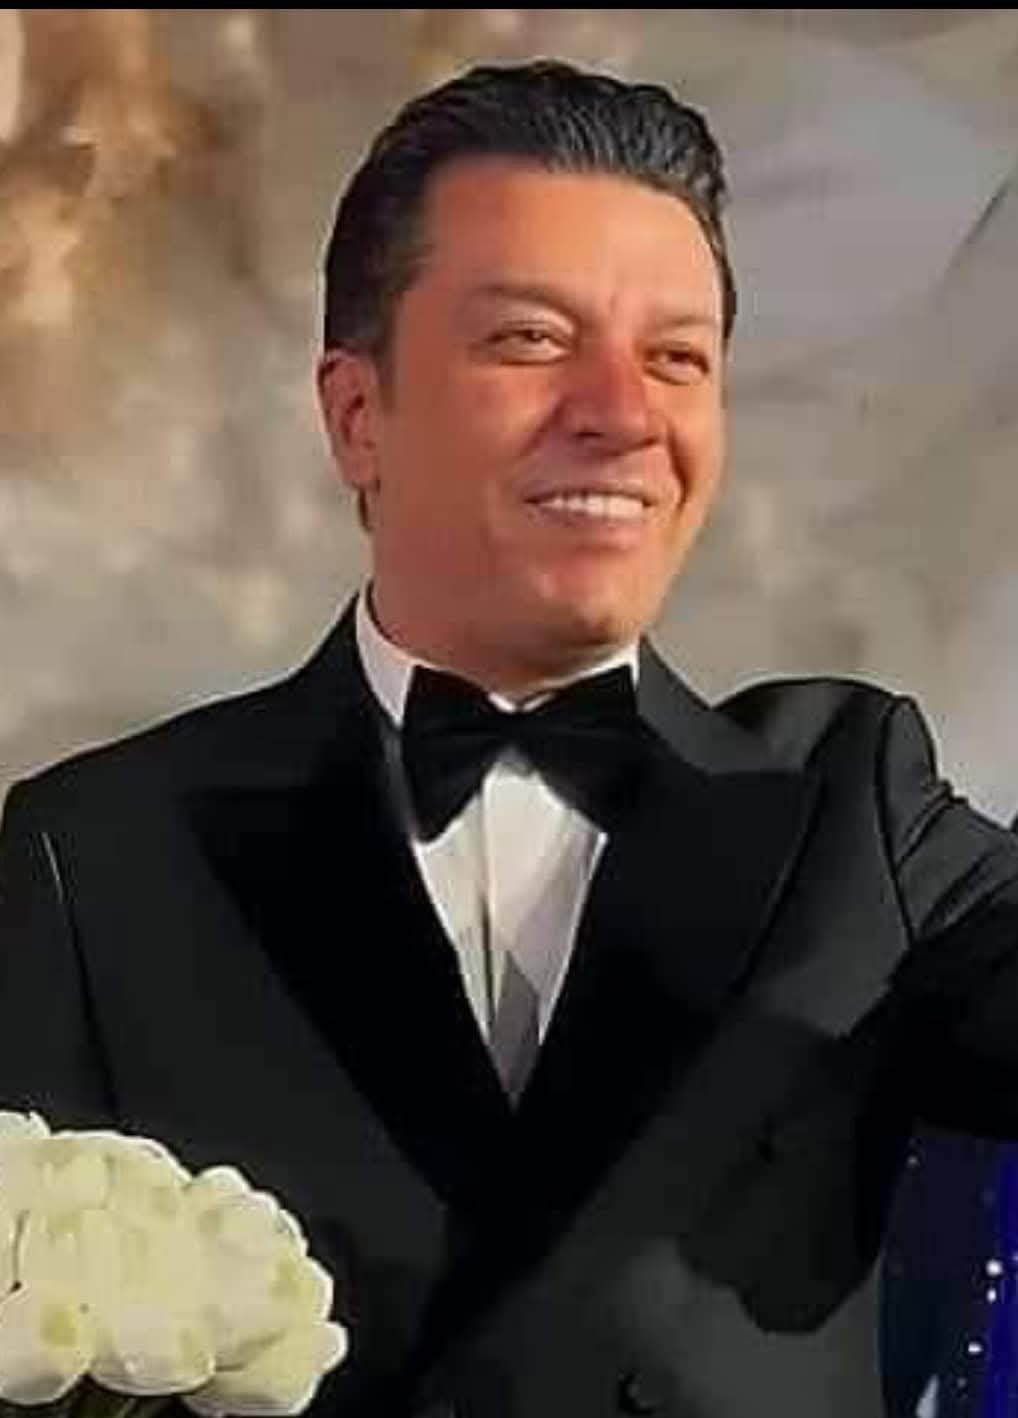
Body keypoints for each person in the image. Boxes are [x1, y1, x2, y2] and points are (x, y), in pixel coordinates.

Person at [2, 59, 1017, 1418]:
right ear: (357, 415)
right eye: (532, 339)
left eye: (676, 357)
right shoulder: (97, 854)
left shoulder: (855, 809)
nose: (623, 412)